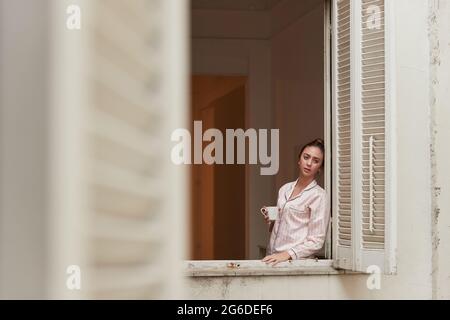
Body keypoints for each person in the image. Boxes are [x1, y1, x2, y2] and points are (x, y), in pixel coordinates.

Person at [260, 138, 330, 266]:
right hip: (272, 258)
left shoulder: (319, 196)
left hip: (296, 263)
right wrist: (272, 221)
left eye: (316, 161)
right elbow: (286, 226)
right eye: (306, 157)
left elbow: (316, 241)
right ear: (299, 160)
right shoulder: (284, 189)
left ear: (320, 168)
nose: (309, 163)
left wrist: (287, 254)